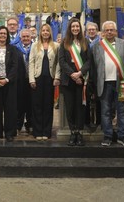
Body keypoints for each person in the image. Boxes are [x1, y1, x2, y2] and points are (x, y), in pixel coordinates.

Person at [90, 21, 124, 147]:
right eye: (107, 30)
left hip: (121, 82)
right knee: (106, 111)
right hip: (104, 83)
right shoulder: (97, 46)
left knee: (122, 110)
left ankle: (122, 136)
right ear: (102, 32)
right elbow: (94, 66)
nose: (109, 32)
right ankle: (107, 136)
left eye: (111, 30)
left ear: (115, 31)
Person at [58, 17, 90, 146]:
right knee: (70, 108)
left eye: (77, 27)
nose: (75, 29)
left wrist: (80, 73)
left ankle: (80, 133)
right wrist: (72, 74)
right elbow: (61, 61)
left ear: (80, 28)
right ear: (70, 29)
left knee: (80, 108)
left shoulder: (85, 42)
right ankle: (73, 132)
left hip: (81, 80)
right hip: (68, 80)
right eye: (73, 27)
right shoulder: (65, 43)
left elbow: (88, 61)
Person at [29, 23, 61, 140]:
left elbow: (58, 63)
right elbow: (31, 63)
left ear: (50, 32)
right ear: (40, 32)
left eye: (47, 30)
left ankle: (46, 132)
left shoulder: (56, 45)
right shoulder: (34, 45)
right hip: (37, 78)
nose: (45, 32)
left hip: (50, 79)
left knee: (48, 105)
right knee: (37, 105)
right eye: (43, 30)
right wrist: (31, 79)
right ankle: (37, 131)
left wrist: (57, 77)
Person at [0, 26, 18, 141]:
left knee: (10, 109)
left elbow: (15, 66)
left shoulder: (13, 49)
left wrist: (6, 79)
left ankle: (9, 133)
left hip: (9, 83)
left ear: (7, 36)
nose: (2, 35)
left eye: (5, 34)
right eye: (0, 33)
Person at [84, 21, 101, 128]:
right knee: (86, 100)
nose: (91, 31)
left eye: (93, 29)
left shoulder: (102, 42)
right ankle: (87, 122)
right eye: (89, 30)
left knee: (99, 100)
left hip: (98, 75)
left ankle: (99, 122)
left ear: (97, 31)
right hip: (86, 75)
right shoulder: (83, 42)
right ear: (86, 31)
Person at [15, 28, 33, 134]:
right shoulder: (15, 48)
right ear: (20, 38)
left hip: (32, 80)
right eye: (24, 37)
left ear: (31, 37)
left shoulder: (35, 47)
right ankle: (18, 124)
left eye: (28, 36)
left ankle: (30, 124)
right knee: (19, 104)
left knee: (31, 103)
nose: (26, 38)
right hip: (19, 80)